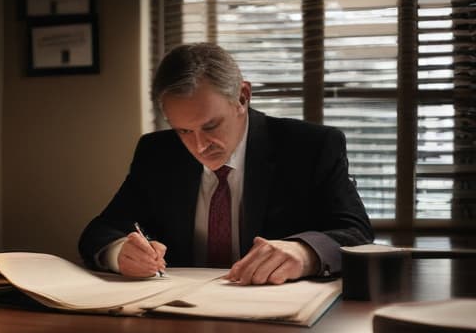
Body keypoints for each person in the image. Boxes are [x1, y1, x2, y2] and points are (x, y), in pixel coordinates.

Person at [78, 42, 373, 285]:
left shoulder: (310, 147)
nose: (199, 146)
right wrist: (120, 253)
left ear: (242, 98)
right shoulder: (157, 152)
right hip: (179, 317)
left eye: (210, 126)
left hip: (277, 324)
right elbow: (101, 230)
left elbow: (357, 234)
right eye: (183, 130)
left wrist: (305, 252)